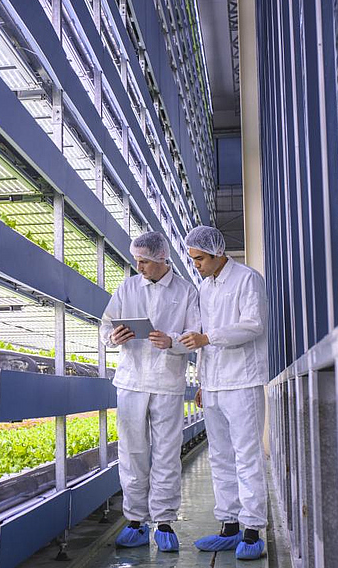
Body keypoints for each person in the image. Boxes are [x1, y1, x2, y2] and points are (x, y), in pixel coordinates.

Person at [99, 231, 201, 552]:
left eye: (143, 261)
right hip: (130, 382)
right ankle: (136, 521)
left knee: (167, 452)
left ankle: (165, 521)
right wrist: (113, 338)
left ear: (161, 260)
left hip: (168, 384)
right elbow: (105, 326)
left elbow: (195, 334)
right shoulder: (127, 288)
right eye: (137, 261)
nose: (138, 266)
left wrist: (171, 341)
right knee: (131, 452)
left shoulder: (186, 292)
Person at [179, 225, 269, 561]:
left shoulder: (247, 278)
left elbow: (254, 324)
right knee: (220, 457)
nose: (196, 265)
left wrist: (208, 338)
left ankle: (252, 530)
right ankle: (229, 526)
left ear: (217, 253)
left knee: (246, 456)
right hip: (214, 385)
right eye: (193, 260)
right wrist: (202, 381)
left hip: (242, 381)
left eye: (200, 258)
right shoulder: (205, 286)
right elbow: (203, 339)